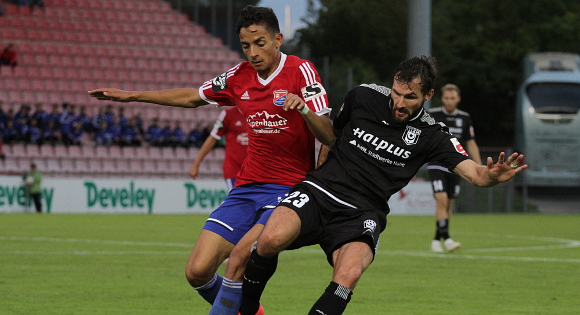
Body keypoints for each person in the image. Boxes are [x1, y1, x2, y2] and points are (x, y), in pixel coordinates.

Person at [232, 56, 527, 315]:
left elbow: (475, 174)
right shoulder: (363, 96)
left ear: (428, 95)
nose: (399, 103)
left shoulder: (434, 134)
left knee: (348, 273)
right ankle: (248, 311)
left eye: (410, 97)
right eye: (397, 93)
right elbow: (332, 135)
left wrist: (492, 175)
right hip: (321, 191)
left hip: (363, 212)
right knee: (269, 240)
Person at [88, 5, 335, 314]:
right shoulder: (239, 76)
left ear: (278, 39)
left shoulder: (301, 71)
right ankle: (251, 311)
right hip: (246, 188)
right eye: (246, 45)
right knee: (197, 270)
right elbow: (193, 97)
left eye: (260, 43)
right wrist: (133, 95)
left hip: (290, 190)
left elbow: (328, 135)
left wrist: (304, 110)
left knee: (240, 259)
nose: (253, 52)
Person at [427, 83, 482, 252]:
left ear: (458, 99)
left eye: (452, 98)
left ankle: (438, 239)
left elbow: (470, 142)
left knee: (449, 204)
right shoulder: (433, 115)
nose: (449, 101)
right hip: (436, 163)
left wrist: (479, 167)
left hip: (457, 165)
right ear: (441, 98)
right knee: (441, 199)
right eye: (446, 98)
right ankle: (447, 238)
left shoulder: (465, 118)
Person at [189, 107, 248, 191]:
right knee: (240, 200)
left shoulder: (262, 115)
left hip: (256, 171)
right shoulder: (228, 115)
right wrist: (196, 164)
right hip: (235, 171)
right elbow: (212, 138)